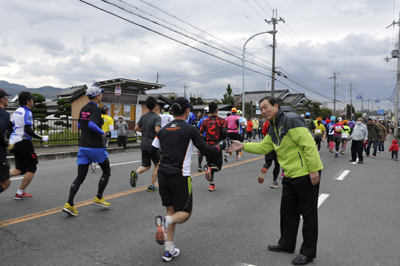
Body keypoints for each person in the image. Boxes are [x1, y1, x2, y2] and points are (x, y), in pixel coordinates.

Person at [228, 97, 323, 265]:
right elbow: (265, 147)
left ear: (276, 106)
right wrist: (243, 146)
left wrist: (313, 169)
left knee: (308, 214)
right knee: (287, 211)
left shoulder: (291, 119)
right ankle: (286, 243)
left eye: (266, 107)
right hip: (290, 174)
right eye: (261, 109)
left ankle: (308, 252)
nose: (263, 111)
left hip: (306, 173)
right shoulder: (273, 126)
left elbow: (309, 144)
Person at [150, 97, 229, 262]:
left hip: (163, 175)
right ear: (187, 111)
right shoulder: (191, 129)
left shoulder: (163, 130)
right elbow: (207, 151)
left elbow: (152, 150)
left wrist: (160, 162)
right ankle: (165, 222)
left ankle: (169, 249)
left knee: (171, 210)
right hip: (180, 175)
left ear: (173, 111)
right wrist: (221, 146)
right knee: (185, 213)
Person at [62, 85, 111, 216]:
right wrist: (103, 133)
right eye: (101, 94)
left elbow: (79, 125)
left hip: (83, 146)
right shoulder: (96, 109)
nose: (102, 96)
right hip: (95, 146)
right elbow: (91, 124)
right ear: (97, 96)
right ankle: (99, 197)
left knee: (80, 177)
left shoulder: (83, 109)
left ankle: (69, 204)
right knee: (106, 171)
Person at [9, 91, 49, 200]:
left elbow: (9, 127)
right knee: (32, 167)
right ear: (28, 101)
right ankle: (19, 192)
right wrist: (41, 137)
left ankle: (2, 174)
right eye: (32, 99)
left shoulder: (16, 111)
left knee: (20, 169)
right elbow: (28, 130)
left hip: (14, 143)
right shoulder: (27, 112)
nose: (33, 101)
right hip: (24, 142)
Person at [131, 96, 161, 192]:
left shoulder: (143, 116)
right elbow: (157, 130)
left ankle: (136, 173)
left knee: (146, 165)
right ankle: (151, 185)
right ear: (155, 105)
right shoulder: (157, 117)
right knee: (158, 164)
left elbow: (136, 128)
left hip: (143, 144)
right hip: (153, 145)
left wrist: (145, 131)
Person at [200, 102, 227, 191]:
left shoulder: (205, 121)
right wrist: (223, 142)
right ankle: (209, 169)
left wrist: (205, 139)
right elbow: (224, 133)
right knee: (218, 166)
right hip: (217, 145)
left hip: (207, 145)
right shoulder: (222, 121)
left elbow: (200, 133)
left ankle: (212, 184)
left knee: (210, 163)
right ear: (217, 110)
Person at [258, 119, 280, 189]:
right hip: (277, 145)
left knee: (268, 162)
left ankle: (264, 168)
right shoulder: (281, 121)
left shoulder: (267, 122)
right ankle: (274, 182)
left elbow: (264, 131)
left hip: (268, 144)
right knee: (277, 164)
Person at [90, 105, 114, 172]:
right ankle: (95, 162)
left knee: (98, 149)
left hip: (97, 134)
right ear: (107, 111)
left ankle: (97, 162)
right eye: (108, 110)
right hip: (105, 135)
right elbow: (111, 129)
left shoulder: (98, 117)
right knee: (103, 149)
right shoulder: (109, 119)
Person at [0, 89, 13, 195]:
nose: (7, 99)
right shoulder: (4, 114)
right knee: (5, 183)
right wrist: (6, 144)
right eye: (6, 97)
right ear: (2, 100)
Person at [196, 107, 210, 172]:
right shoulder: (211, 119)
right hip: (210, 138)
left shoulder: (202, 120)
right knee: (209, 151)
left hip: (202, 137)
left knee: (201, 152)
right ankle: (208, 165)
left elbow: (197, 127)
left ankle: (199, 165)